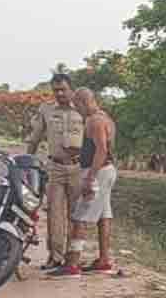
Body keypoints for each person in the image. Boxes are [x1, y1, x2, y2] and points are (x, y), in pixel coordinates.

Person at [50, 88, 117, 277]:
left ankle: (72, 264)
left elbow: (101, 150)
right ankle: (103, 260)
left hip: (98, 172)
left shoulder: (95, 121)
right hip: (106, 170)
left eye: (76, 105)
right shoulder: (105, 117)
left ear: (82, 102)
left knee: (80, 216)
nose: (76, 110)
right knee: (104, 216)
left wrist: (90, 178)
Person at [24, 73, 85, 269]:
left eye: (63, 89)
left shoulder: (83, 111)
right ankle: (55, 256)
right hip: (55, 167)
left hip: (78, 167)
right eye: (55, 90)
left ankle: (73, 257)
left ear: (72, 90)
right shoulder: (46, 110)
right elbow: (34, 138)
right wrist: (26, 163)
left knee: (76, 215)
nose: (59, 93)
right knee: (54, 214)